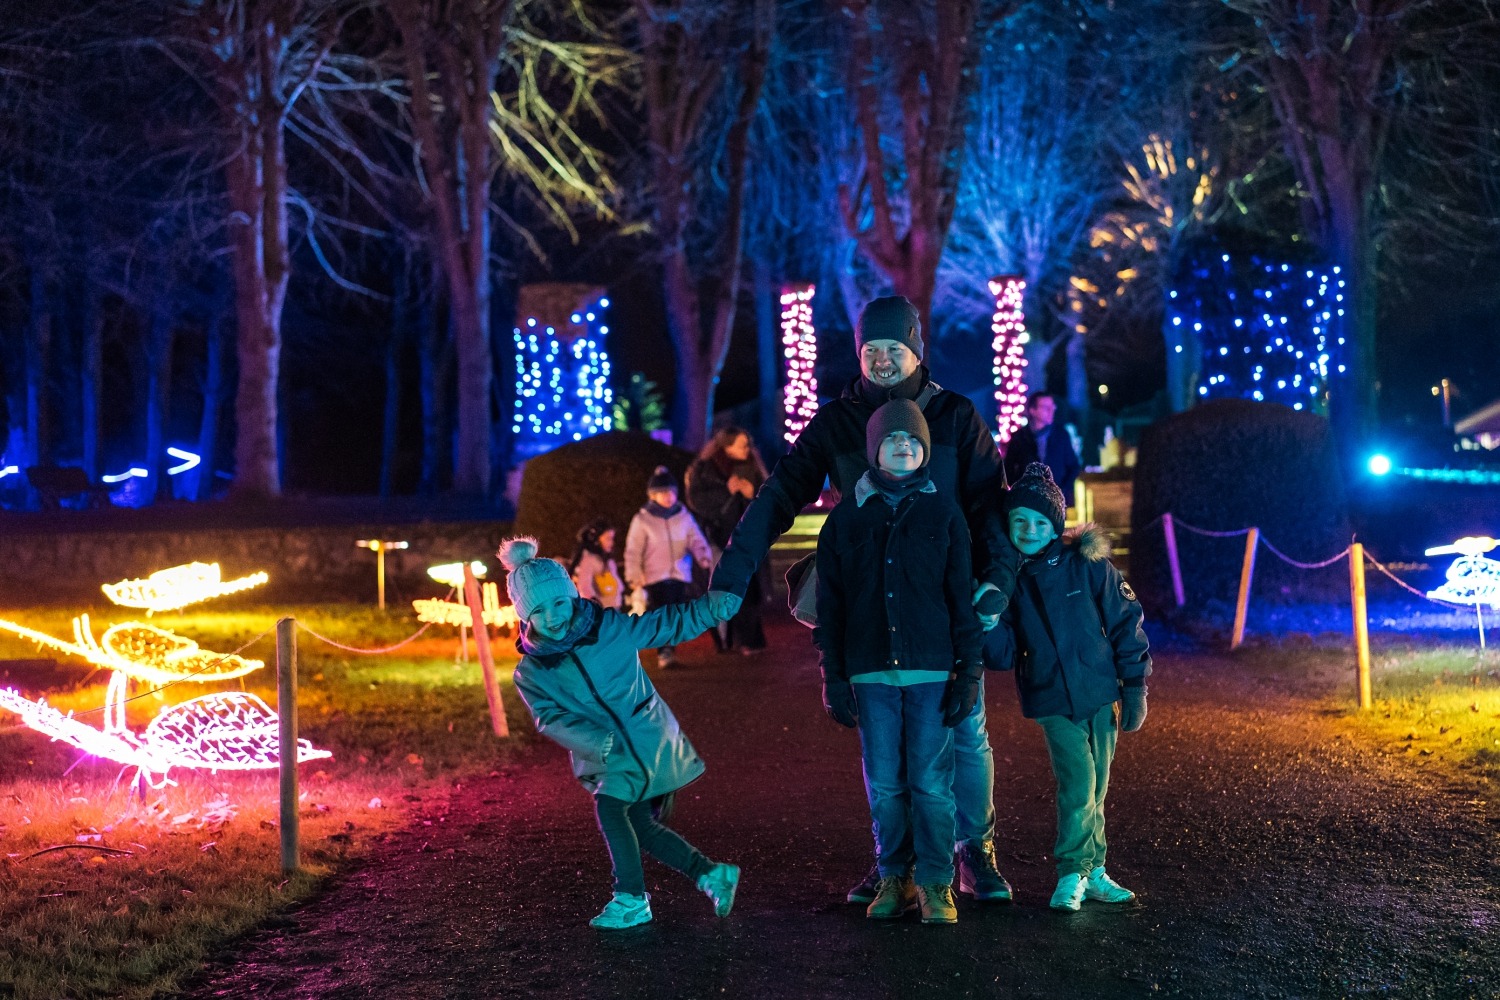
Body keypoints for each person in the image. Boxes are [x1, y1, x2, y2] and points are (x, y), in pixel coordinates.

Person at [710, 294, 1018, 905]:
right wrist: (733, 572)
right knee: (884, 750)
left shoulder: (956, 415)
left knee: (965, 729)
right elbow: (779, 494)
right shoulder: (839, 422)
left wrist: (997, 580)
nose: (881, 360)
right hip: (875, 609)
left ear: (915, 349)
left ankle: (973, 849)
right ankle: (894, 863)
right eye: (870, 350)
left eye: (893, 348)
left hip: (946, 605)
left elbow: (992, 504)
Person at [500, 536, 744, 930]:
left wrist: (711, 610)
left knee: (612, 810)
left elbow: (664, 625)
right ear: (526, 615)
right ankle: (711, 875)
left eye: (560, 601)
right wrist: (593, 741)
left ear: (573, 595)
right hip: (608, 751)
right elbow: (547, 716)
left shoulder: (608, 627)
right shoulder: (532, 672)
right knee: (639, 825)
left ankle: (630, 899)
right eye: (540, 610)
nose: (554, 615)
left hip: (646, 737)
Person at [815, 400, 986, 925]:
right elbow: (833, 605)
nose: (903, 446)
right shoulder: (845, 519)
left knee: (932, 783)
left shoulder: (945, 513)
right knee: (885, 781)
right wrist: (834, 674)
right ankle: (895, 874)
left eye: (912, 439)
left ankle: (936, 881)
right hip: (870, 673)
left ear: (924, 447)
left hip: (932, 669)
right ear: (874, 449)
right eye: (892, 440)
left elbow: (961, 598)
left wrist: (969, 670)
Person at [991, 462, 1150, 912]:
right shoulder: (1011, 578)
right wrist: (985, 618)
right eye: (1019, 520)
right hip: (1051, 696)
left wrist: (1134, 685)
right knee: (1079, 784)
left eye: (1040, 522)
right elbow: (1001, 654)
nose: (1029, 529)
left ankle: (1094, 872)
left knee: (1097, 787)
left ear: (1056, 525)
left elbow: (1125, 623)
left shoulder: (1088, 566)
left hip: (1101, 692)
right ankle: (1070, 872)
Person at [686, 426, 769, 654]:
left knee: (750, 589)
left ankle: (750, 639)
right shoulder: (706, 469)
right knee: (726, 589)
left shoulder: (752, 466)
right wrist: (727, 491)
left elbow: (769, 497)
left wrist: (752, 495)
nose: (747, 449)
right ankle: (727, 638)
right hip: (719, 538)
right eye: (742, 445)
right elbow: (698, 501)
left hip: (748, 537)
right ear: (727, 446)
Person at [625, 466, 715, 668]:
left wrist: (703, 556)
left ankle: (669, 651)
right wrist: (634, 573)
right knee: (662, 612)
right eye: (663, 493)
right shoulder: (642, 520)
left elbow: (695, 539)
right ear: (653, 495)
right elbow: (634, 549)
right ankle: (664, 652)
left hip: (679, 574)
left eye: (671, 492)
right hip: (655, 576)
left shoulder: (683, 516)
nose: (668, 497)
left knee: (675, 613)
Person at [1003, 392, 1082, 507]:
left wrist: (1062, 490)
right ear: (1032, 410)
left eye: (1052, 407)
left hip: (1056, 503)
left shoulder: (1061, 435)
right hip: (1027, 502)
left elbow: (1073, 466)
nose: (1051, 411)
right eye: (1046, 407)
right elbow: (1007, 469)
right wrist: (1020, 490)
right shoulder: (1019, 437)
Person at [570, 519, 623, 610]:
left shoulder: (608, 560)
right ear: (596, 539)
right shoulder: (589, 560)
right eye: (608, 539)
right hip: (602, 612)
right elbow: (584, 586)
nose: (611, 542)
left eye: (612, 539)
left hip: (613, 609)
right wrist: (594, 606)